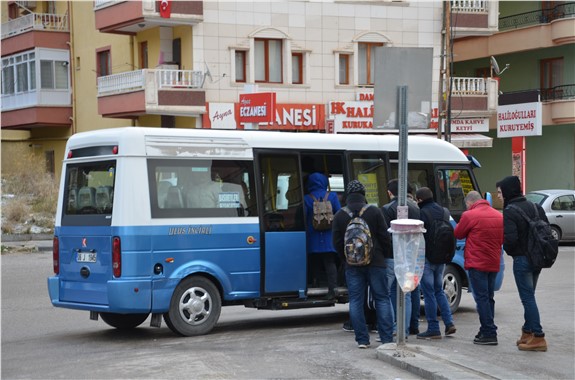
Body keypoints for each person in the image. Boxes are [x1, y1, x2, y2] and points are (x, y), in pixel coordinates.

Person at [332, 180, 393, 348]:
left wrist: (346, 259)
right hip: (376, 262)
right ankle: (387, 338)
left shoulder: (340, 215)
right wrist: (383, 255)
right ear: (363, 194)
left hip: (352, 265)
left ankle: (362, 340)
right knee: (382, 298)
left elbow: (336, 242)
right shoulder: (374, 211)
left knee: (356, 301)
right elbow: (385, 237)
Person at [496, 176, 548, 351]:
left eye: (500, 192)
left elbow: (510, 240)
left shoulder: (510, 210)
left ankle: (539, 337)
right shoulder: (536, 207)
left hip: (523, 259)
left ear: (508, 192)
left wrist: (513, 252)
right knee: (529, 296)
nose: (498, 196)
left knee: (527, 298)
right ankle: (528, 332)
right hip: (538, 258)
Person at [454, 191, 503, 345]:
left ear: (469, 203)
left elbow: (458, 234)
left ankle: (489, 332)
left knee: (481, 298)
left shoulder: (470, 215)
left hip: (477, 263)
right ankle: (486, 329)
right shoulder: (498, 215)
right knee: (488, 297)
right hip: (493, 262)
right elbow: (502, 238)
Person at [415, 187, 456, 339]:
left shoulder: (422, 213)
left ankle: (433, 328)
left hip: (427, 258)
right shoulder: (444, 211)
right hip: (442, 258)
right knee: (439, 290)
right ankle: (449, 322)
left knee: (429, 292)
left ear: (419, 200)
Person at [382, 179, 421, 337]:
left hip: (392, 256)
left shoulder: (386, 209)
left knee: (387, 293)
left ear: (389, 193)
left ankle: (392, 328)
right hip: (410, 256)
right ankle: (403, 330)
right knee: (407, 293)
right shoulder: (415, 207)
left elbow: (385, 235)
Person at [304, 172, 341, 299]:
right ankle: (333, 288)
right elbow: (339, 213)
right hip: (329, 235)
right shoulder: (332, 196)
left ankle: (315, 283)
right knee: (329, 262)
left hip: (313, 235)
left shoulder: (307, 198)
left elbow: (304, 217)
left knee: (314, 261)